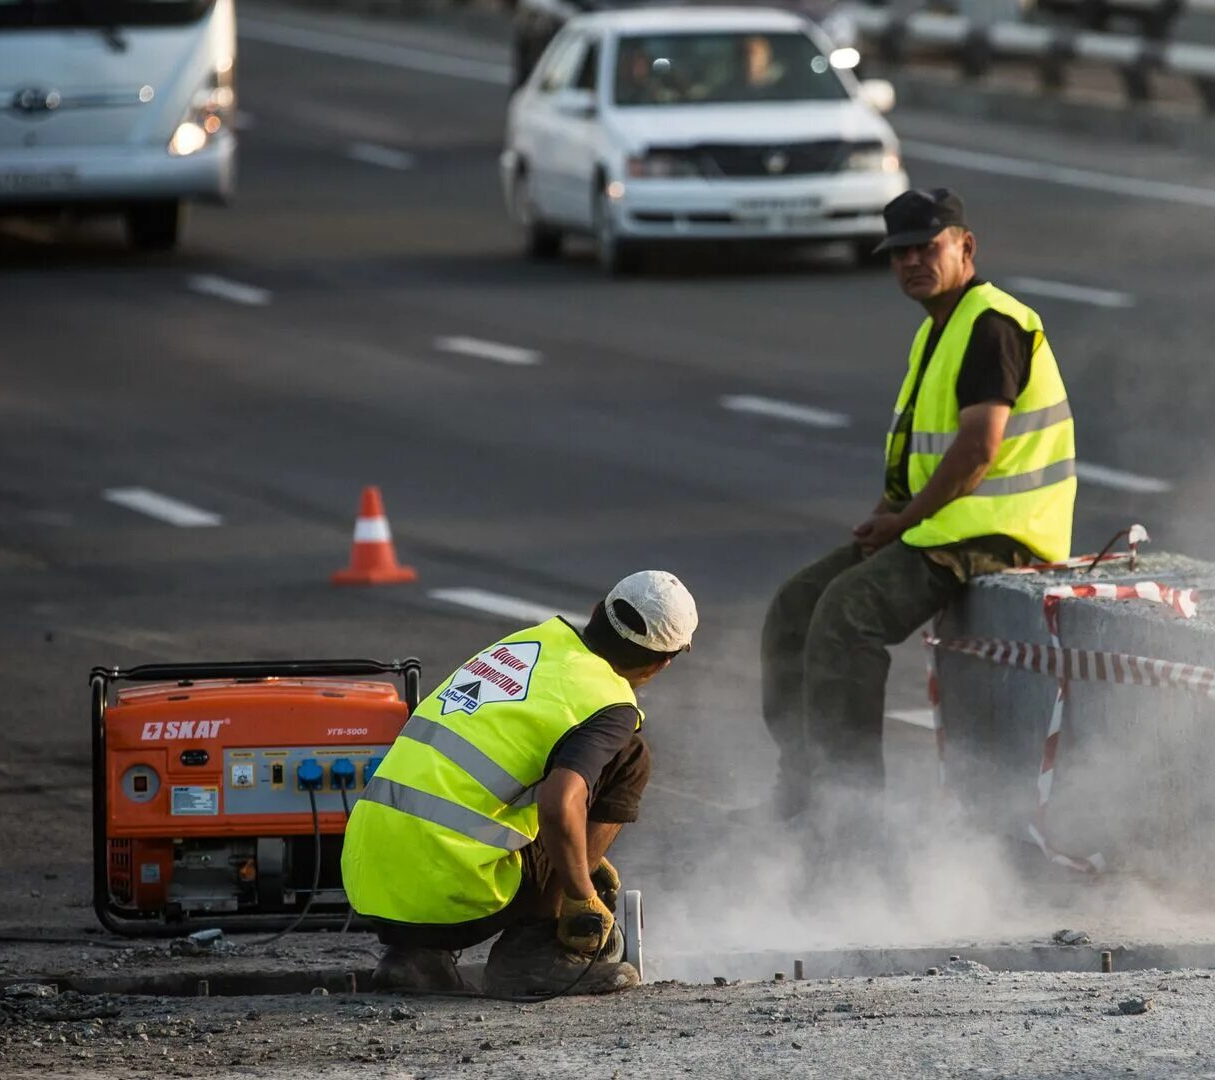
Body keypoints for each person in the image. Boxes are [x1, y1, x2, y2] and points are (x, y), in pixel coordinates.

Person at [755, 188, 1077, 822]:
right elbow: (919, 459)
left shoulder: (991, 323)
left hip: (999, 530)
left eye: (926, 247)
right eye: (899, 252)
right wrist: (885, 518)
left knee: (848, 613)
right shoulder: (938, 330)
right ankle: (803, 789)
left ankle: (850, 811)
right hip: (942, 524)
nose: (911, 262)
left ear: (965, 247)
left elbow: (979, 449)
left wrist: (902, 522)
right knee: (796, 607)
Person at [341, 571, 698, 999]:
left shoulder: (528, 644)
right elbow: (558, 803)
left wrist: (572, 852)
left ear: (593, 612)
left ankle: (414, 959)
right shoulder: (607, 703)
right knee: (631, 757)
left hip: (366, 878)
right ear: (663, 662)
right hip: (450, 895)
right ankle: (534, 954)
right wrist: (579, 889)